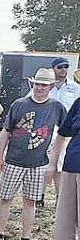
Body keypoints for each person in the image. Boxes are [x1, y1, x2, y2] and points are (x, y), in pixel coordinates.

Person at [0, 68, 67, 240]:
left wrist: (54, 161)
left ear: (51, 87)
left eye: (44, 85)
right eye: (37, 84)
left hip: (39, 163)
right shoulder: (19, 104)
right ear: (32, 85)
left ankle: (25, 237)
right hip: (14, 160)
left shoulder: (56, 107)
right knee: (5, 198)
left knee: (30, 201)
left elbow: (64, 133)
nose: (40, 88)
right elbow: (6, 132)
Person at [41, 98, 80, 240]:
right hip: (71, 167)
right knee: (66, 219)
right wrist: (52, 163)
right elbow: (62, 135)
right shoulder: (79, 103)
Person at [44, 56, 80, 204]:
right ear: (54, 69)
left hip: (68, 133)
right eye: (60, 67)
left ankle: (61, 197)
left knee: (60, 165)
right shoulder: (46, 86)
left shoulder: (76, 89)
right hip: (46, 132)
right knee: (45, 165)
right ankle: (39, 196)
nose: (63, 69)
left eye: (66, 66)